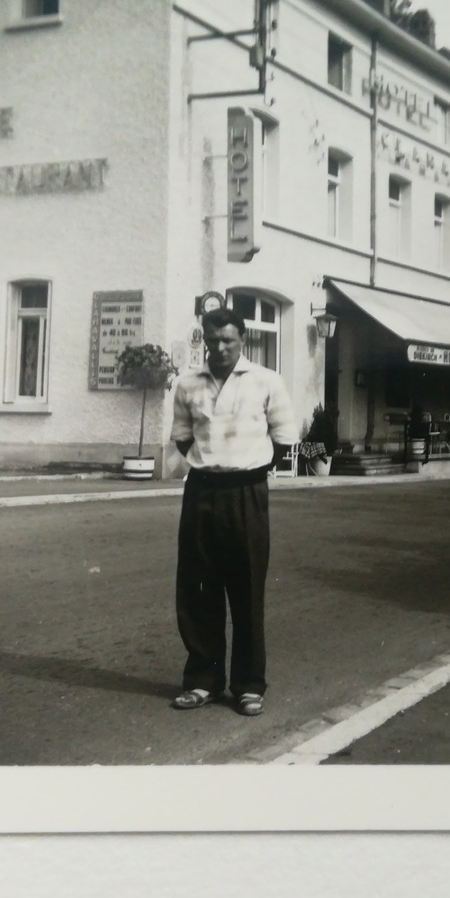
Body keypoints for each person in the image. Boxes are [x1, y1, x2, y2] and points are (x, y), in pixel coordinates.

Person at [168, 307, 298, 717]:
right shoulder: (188, 383)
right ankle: (202, 681)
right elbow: (183, 437)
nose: (220, 347)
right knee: (197, 590)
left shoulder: (266, 381)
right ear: (203, 339)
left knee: (246, 591)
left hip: (246, 493)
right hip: (202, 492)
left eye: (228, 339)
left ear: (242, 339)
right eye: (212, 339)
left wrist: (248, 468)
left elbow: (283, 439)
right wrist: (213, 464)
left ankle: (247, 685)